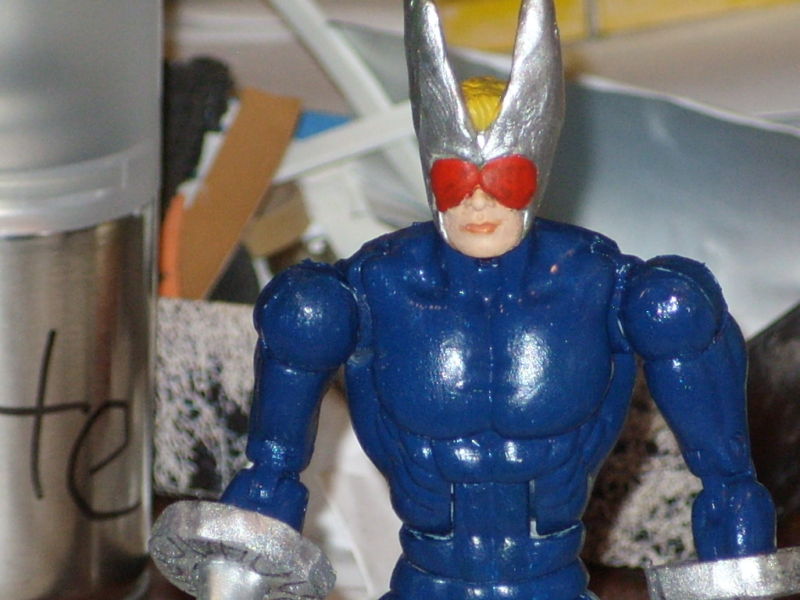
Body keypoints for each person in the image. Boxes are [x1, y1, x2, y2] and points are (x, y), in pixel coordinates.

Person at [218, 2, 776, 597]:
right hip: (425, 580)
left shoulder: (603, 289)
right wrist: (235, 578)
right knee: (303, 312)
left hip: (554, 579)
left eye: (505, 180)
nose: (479, 204)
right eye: (455, 182)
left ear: (538, 170)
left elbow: (729, 480)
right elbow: (267, 477)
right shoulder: (372, 290)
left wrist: (740, 576)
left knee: (675, 306)